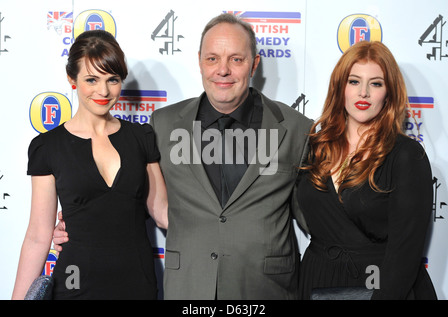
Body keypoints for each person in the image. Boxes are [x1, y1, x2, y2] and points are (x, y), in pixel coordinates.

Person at [54, 13, 313, 300]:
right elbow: (133, 201)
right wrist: (77, 225)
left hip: (266, 291)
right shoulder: (163, 125)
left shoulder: (296, 128)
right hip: (189, 289)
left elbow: (318, 218)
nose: (223, 70)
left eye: (236, 59)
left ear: (254, 64)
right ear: (200, 61)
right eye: (213, 58)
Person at [12, 29, 168, 300]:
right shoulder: (48, 146)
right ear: (72, 79)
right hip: (75, 285)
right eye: (92, 79)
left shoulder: (141, 138)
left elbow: (163, 212)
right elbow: (38, 235)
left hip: (137, 284)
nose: (103, 91)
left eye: (113, 79)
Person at [297, 40, 437, 299]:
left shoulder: (406, 156)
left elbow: (405, 253)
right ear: (340, 88)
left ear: (389, 93)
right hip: (317, 281)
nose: (363, 92)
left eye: (376, 83)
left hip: (382, 286)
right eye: (354, 81)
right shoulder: (314, 147)